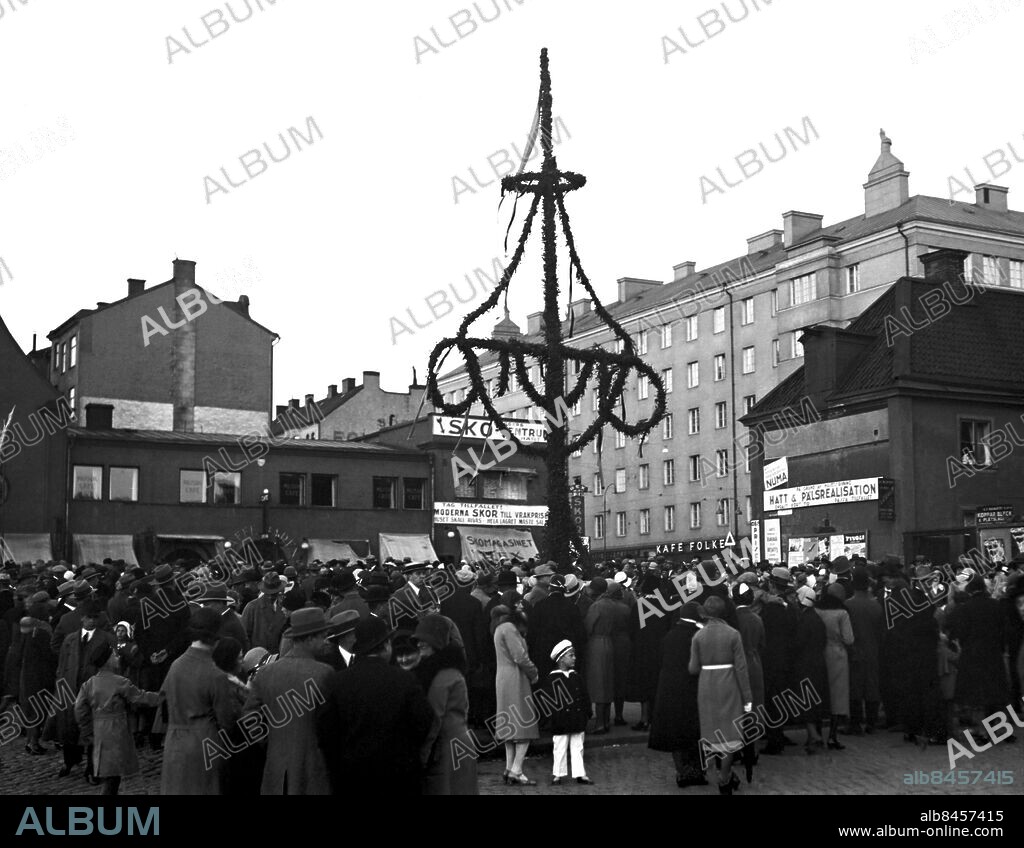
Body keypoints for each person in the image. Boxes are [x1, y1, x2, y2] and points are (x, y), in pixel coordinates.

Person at [317, 616, 435, 795]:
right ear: (387, 645)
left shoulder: (337, 682)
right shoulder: (404, 680)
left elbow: (326, 731)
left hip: (352, 776)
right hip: (399, 775)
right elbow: (424, 722)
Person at [243, 607, 334, 795]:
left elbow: (249, 717)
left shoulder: (265, 673)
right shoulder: (324, 673)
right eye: (323, 637)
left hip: (276, 766)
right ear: (309, 639)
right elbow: (329, 723)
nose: (327, 642)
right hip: (314, 767)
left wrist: (268, 741)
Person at [159, 608, 241, 795]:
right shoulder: (215, 675)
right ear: (216, 637)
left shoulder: (175, 665)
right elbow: (227, 721)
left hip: (175, 742)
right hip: (205, 743)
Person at [73, 639, 161, 795]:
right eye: (114, 654)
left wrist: (87, 731)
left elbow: (79, 709)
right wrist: (162, 697)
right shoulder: (119, 682)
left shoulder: (89, 683)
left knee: (109, 774)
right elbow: (141, 697)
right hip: (117, 730)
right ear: (107, 661)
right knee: (113, 777)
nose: (117, 657)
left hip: (99, 729)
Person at [688, 596, 752, 795]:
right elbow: (741, 668)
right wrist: (747, 697)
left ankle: (722, 772)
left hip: (706, 684)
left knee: (712, 730)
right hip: (729, 683)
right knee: (730, 733)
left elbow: (692, 668)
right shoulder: (733, 634)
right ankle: (724, 775)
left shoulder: (698, 636)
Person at [413, 614, 478, 795]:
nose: (419, 644)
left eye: (423, 640)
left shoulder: (441, 676)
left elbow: (434, 719)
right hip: (460, 744)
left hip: (446, 749)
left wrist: (422, 756)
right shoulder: (452, 670)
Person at [52, 598, 114, 781]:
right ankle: (69, 761)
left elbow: (112, 667)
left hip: (94, 691)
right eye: (88, 618)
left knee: (93, 731)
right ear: (82, 618)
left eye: (95, 618)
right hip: (70, 689)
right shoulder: (70, 640)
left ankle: (93, 769)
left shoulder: (107, 639)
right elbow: (62, 665)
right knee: (69, 729)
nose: (92, 621)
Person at [649, 601, 706, 788]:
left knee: (675, 732)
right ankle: (697, 770)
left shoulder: (669, 636)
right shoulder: (697, 635)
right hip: (692, 688)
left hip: (669, 689)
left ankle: (681, 771)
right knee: (694, 731)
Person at [493, 605, 539, 785]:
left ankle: (509, 767)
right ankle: (517, 769)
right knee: (523, 724)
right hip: (516, 678)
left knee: (510, 727)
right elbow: (520, 657)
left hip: (503, 677)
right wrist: (534, 673)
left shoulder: (499, 628)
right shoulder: (511, 630)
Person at [583, 577, 628, 734]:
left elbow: (588, 627)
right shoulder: (615, 605)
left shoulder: (597, 606)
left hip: (597, 643)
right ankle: (606, 721)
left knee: (599, 684)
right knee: (608, 683)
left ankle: (600, 724)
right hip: (610, 642)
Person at [545, 640, 592, 785]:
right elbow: (548, 701)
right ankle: (558, 773)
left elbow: (584, 696)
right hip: (561, 719)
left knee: (578, 746)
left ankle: (580, 773)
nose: (574, 658)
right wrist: (551, 718)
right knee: (559, 746)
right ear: (561, 659)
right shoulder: (552, 678)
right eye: (571, 655)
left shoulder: (576, 677)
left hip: (577, 718)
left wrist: (587, 712)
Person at [731, 580, 764, 781]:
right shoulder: (757, 619)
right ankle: (752, 747)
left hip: (735, 665)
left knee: (735, 706)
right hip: (753, 664)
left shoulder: (731, 619)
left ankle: (735, 748)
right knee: (754, 706)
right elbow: (763, 643)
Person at [844, 566, 884, 734]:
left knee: (855, 688)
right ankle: (872, 723)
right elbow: (881, 631)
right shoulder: (876, 605)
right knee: (872, 687)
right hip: (873, 650)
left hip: (854, 651)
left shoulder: (848, 605)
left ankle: (855, 724)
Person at [816, 582, 854, 749]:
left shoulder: (817, 610)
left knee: (819, 692)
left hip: (820, 653)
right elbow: (849, 638)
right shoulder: (842, 613)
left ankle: (816, 734)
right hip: (837, 655)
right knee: (838, 696)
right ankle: (832, 736)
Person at [792, 585, 828, 754]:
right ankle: (813, 735)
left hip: (806, 665)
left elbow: (798, 643)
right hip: (818, 663)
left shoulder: (805, 620)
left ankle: (814, 736)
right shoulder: (816, 618)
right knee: (814, 700)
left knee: (807, 701)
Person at [241, 572, 288, 653]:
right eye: (268, 593)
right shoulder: (252, 607)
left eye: (273, 594)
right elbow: (244, 636)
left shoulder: (284, 607)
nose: (270, 597)